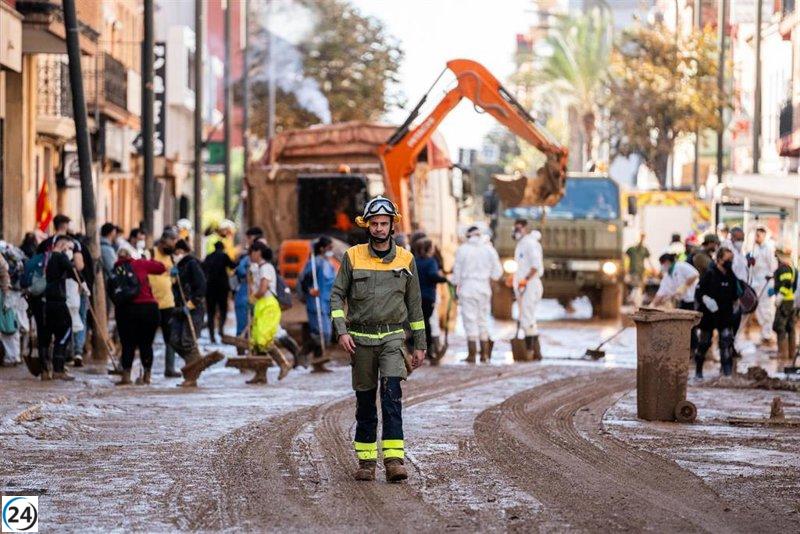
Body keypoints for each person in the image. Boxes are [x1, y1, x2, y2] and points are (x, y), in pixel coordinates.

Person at [330, 196, 426, 483]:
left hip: (393, 339)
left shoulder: (406, 259)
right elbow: (337, 296)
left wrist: (420, 344)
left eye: (384, 223)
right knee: (365, 402)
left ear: (391, 226)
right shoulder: (352, 256)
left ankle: (394, 460)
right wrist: (341, 330)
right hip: (360, 340)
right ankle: (367, 462)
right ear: (367, 226)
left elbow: (415, 305)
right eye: (375, 224)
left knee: (391, 397)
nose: (380, 228)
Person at [113, 248, 166, 385]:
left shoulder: (115, 271)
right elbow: (161, 268)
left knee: (127, 344)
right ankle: (147, 376)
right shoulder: (140, 263)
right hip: (149, 309)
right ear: (131, 255)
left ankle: (126, 376)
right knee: (146, 344)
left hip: (126, 311)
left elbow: (112, 294)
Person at [452, 225, 502, 363]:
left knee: (470, 320)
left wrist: (455, 285)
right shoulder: (489, 249)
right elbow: (498, 272)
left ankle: (472, 354)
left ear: (468, 236)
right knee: (483, 320)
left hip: (467, 288)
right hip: (484, 288)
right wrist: (489, 278)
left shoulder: (462, 250)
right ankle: (485, 355)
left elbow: (456, 273)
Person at [40, 236, 87, 381]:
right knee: (64, 333)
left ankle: (44, 370)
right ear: (61, 245)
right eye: (67, 247)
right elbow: (73, 271)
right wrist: (83, 284)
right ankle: (58, 370)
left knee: (46, 337)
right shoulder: (60, 257)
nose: (69, 250)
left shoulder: (45, 258)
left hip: (46, 303)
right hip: (59, 302)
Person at [694, 247, 740, 378]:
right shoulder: (710, 274)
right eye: (728, 259)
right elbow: (699, 292)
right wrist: (706, 299)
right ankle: (698, 372)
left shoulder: (731, 275)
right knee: (704, 343)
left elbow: (736, 295)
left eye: (732, 259)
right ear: (719, 260)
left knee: (726, 343)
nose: (730, 262)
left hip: (725, 314)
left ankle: (726, 374)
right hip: (708, 314)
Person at [248, 241, 292, 379]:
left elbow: (262, 289)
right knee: (256, 340)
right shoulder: (258, 268)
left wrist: (252, 297)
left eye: (252, 252)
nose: (250, 255)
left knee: (263, 339)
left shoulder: (266, 268)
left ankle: (283, 363)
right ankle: (260, 374)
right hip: (261, 305)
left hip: (268, 306)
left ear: (258, 252)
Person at [169, 239, 207, 386]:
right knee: (174, 339)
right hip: (179, 309)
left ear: (182, 251)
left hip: (193, 309)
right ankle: (196, 360)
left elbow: (201, 286)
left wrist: (192, 304)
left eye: (177, 252)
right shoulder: (178, 267)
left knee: (187, 340)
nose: (175, 255)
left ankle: (191, 377)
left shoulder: (192, 264)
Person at [298, 236, 337, 368]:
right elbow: (303, 279)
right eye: (329, 248)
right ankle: (303, 353)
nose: (331, 250)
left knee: (326, 334)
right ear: (322, 248)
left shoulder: (329, 263)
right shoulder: (315, 263)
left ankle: (318, 362)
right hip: (316, 301)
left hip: (326, 302)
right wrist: (309, 290)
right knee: (321, 333)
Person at [149, 228, 181, 378]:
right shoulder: (150, 253)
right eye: (172, 242)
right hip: (151, 302)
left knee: (170, 337)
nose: (173, 246)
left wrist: (175, 276)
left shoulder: (171, 258)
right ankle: (146, 370)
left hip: (168, 303)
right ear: (164, 241)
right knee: (147, 337)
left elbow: (173, 280)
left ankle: (170, 368)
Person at [513, 219, 544, 360]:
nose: (516, 232)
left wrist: (525, 279)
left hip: (530, 285)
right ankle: (536, 352)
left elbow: (535, 265)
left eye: (519, 229)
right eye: (515, 229)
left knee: (527, 316)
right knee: (527, 316)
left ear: (525, 228)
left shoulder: (530, 244)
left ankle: (530, 351)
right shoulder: (522, 244)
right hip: (524, 285)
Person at [412, 237, 447, 362]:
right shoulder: (431, 262)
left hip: (414, 297)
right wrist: (444, 279)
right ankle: (428, 350)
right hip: (427, 297)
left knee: (417, 323)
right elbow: (433, 275)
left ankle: (415, 347)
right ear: (428, 249)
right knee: (426, 323)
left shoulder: (414, 261)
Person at [233, 227, 265, 341]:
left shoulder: (260, 261)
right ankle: (242, 352)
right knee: (243, 324)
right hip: (246, 292)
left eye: (249, 238)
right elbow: (240, 271)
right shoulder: (246, 258)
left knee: (256, 326)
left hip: (256, 294)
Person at [0, 243, 28, 366]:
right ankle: (15, 356)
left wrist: (6, 292)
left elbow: (4, 271)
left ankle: (14, 356)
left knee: (9, 327)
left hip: (6, 295)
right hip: (9, 294)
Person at [202, 241, 236, 343]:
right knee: (223, 310)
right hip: (222, 288)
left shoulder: (209, 257)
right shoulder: (224, 256)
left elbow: (203, 268)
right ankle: (221, 329)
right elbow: (232, 266)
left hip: (210, 288)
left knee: (210, 312)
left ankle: (212, 334)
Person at [750, 227, 777, 345]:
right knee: (759, 309)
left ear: (764, 236)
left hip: (767, 283)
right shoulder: (754, 248)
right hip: (756, 283)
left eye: (758, 236)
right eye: (756, 235)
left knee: (767, 310)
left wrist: (772, 282)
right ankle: (764, 334)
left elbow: (773, 266)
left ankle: (767, 334)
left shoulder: (769, 248)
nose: (756, 238)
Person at [770, 248, 796, 360]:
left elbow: (786, 284)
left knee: (780, 327)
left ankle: (782, 354)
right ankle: (791, 354)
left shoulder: (784, 268)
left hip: (785, 301)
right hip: (791, 300)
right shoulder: (790, 266)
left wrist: (780, 295)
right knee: (790, 327)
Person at [625, 232, 651, 307]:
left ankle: (634, 301)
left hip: (641, 272)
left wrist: (653, 269)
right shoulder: (631, 249)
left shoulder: (644, 249)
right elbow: (625, 259)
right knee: (637, 286)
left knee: (639, 287)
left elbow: (648, 259)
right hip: (633, 271)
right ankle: (634, 301)